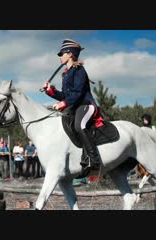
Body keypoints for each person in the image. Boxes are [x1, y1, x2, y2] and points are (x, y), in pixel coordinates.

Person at [43, 38, 104, 171]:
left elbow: (77, 93)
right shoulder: (66, 74)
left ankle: (94, 159)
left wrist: (63, 103)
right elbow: (65, 95)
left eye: (62, 53)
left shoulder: (79, 70)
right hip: (75, 107)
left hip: (86, 105)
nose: (60, 56)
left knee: (79, 125)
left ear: (70, 54)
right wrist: (50, 91)